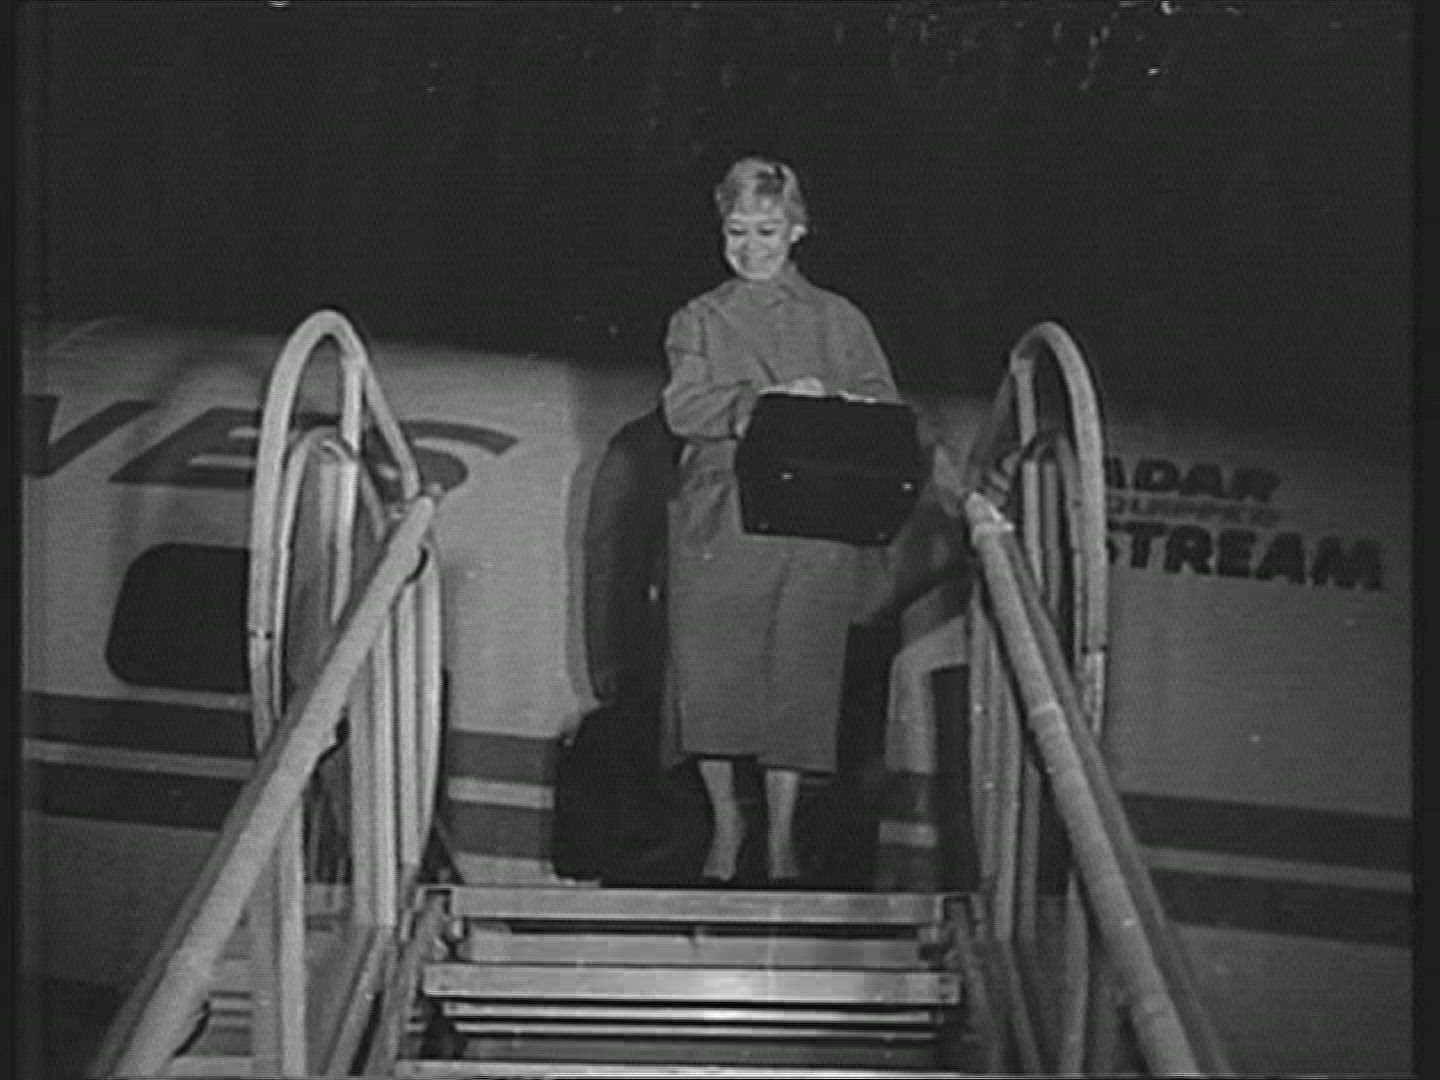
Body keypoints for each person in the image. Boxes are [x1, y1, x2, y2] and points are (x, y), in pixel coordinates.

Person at [659, 156, 902, 886]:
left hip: (815, 519)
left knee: (800, 677)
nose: (751, 247)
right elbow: (683, 407)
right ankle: (726, 824)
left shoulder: (841, 320)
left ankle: (784, 836)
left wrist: (842, 407)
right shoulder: (698, 317)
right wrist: (761, 406)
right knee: (711, 673)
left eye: (767, 231)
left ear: (797, 230)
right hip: (724, 513)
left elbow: (886, 405)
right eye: (737, 231)